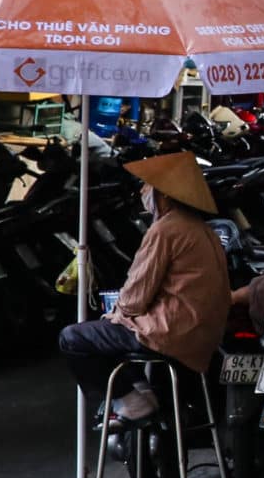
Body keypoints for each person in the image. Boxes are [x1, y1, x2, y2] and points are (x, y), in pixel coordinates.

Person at [55, 152, 228, 416]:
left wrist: (117, 313)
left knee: (73, 338)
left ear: (164, 194)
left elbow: (135, 295)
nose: (143, 192)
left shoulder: (165, 230)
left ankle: (130, 401)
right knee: (112, 335)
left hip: (171, 333)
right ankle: (143, 393)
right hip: (201, 336)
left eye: (147, 186)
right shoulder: (203, 230)